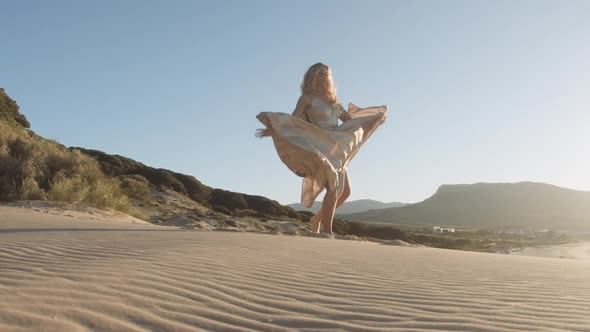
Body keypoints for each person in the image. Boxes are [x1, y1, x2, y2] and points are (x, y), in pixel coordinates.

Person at [256, 62, 387, 236]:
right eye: (319, 73)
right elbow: (294, 120)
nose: (323, 77)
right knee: (333, 189)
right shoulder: (306, 99)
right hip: (320, 147)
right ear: (311, 76)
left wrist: (372, 121)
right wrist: (273, 129)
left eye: (326, 74)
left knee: (345, 192)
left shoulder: (334, 102)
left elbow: (349, 122)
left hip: (337, 149)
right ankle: (328, 232)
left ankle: (317, 219)